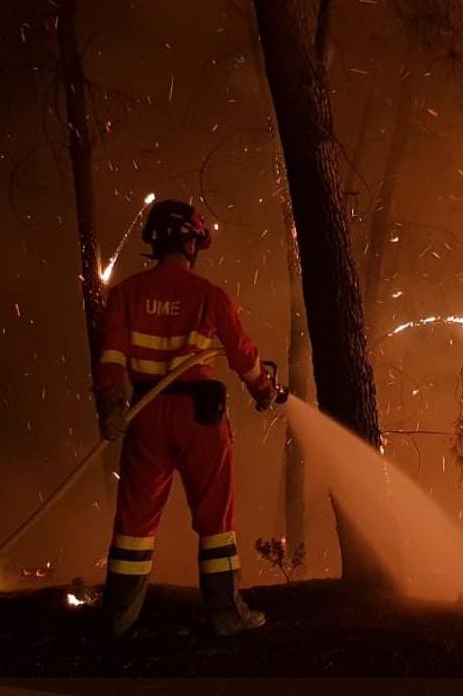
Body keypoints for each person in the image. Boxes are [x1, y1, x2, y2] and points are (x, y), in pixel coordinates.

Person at [94, 199, 280, 638]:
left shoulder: (125, 293)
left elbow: (111, 360)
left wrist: (112, 409)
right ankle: (225, 614)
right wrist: (264, 391)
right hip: (200, 416)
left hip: (144, 414)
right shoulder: (209, 296)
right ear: (193, 243)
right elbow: (243, 356)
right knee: (216, 520)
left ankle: (119, 616)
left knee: (134, 523)